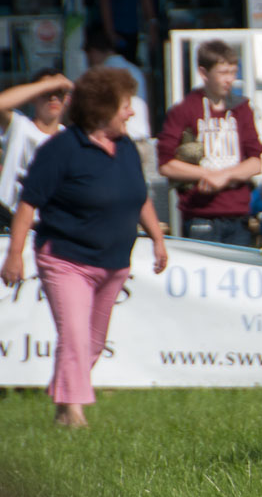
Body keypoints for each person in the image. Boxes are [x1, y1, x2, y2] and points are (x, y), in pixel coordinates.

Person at [0, 67, 168, 428]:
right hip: (65, 258)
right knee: (75, 336)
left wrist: (156, 237)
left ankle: (63, 399)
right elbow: (28, 203)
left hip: (114, 262)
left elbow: (140, 197)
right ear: (102, 109)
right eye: (125, 105)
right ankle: (74, 415)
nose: (132, 112)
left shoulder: (126, 149)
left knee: (92, 342)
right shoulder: (60, 149)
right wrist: (15, 254)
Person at [156, 39, 262, 245]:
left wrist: (225, 175)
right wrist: (207, 175)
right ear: (204, 73)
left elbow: (256, 162)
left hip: (238, 215)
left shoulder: (241, 109)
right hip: (200, 215)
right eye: (223, 73)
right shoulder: (184, 110)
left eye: (233, 72)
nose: (229, 79)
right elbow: (166, 165)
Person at [0, 69, 72, 226]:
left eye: (58, 93)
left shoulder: (69, 137)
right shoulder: (19, 125)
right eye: (46, 92)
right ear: (33, 96)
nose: (53, 98)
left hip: (51, 227)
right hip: (9, 222)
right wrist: (47, 84)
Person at [82, 25, 150, 140]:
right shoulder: (135, 70)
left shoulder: (101, 74)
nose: (88, 61)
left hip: (118, 138)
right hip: (142, 136)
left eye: (88, 56)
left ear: (93, 52)